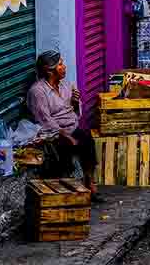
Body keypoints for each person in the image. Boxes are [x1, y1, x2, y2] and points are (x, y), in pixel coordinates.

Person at [27, 51, 99, 197]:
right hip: (53, 133)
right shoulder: (38, 92)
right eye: (60, 65)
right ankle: (65, 190)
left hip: (71, 127)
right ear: (49, 70)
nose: (64, 67)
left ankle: (89, 180)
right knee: (63, 152)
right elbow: (44, 120)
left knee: (88, 142)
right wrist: (64, 135)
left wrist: (74, 102)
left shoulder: (66, 85)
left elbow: (74, 111)